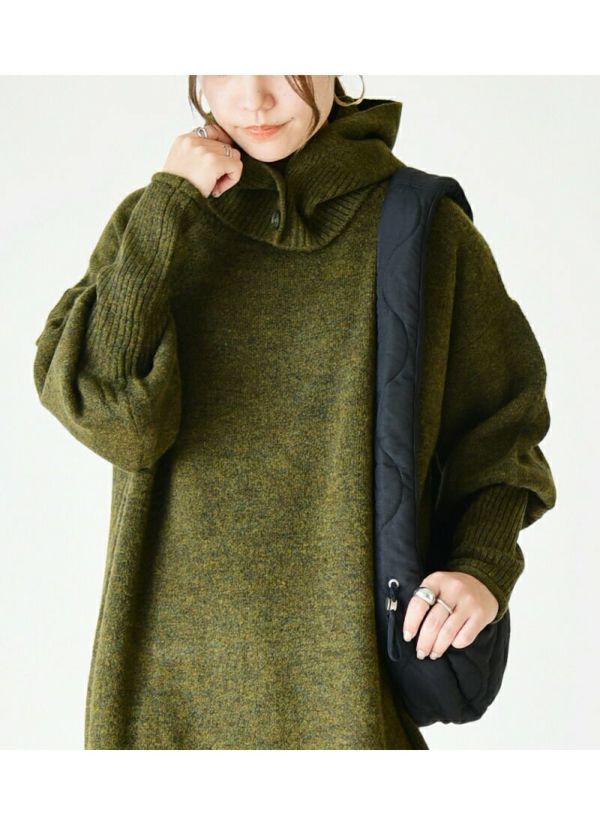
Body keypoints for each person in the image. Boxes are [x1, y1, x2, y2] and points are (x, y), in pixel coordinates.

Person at [32, 75, 556, 749]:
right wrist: (168, 207)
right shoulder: (159, 223)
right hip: (161, 704)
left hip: (346, 701)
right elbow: (107, 410)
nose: (253, 98)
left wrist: (480, 564)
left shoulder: (421, 230)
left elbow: (504, 430)